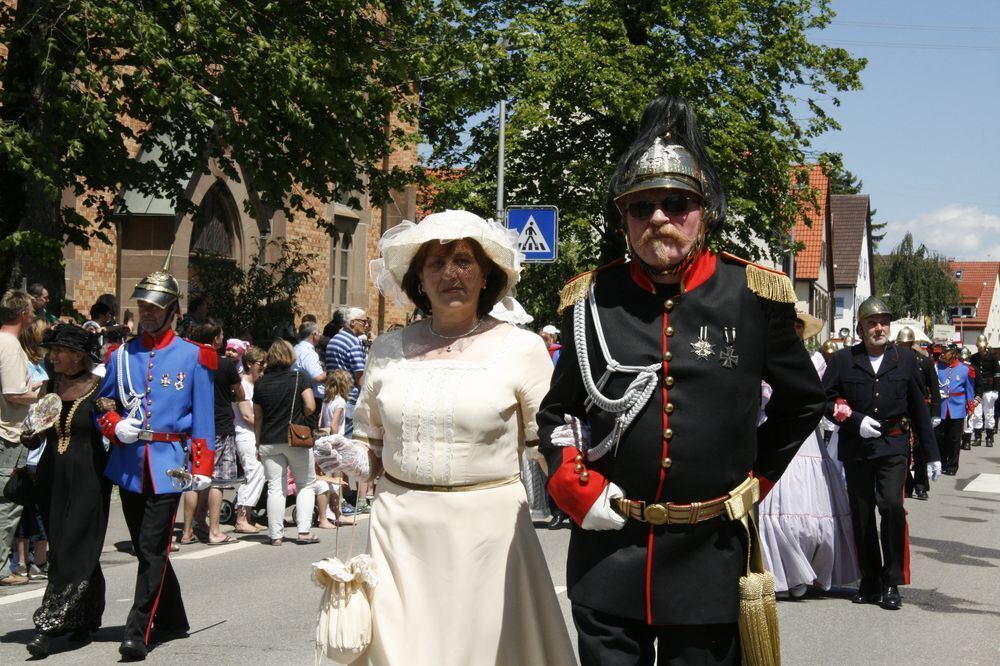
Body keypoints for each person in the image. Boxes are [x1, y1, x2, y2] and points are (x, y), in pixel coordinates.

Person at [536, 95, 825, 665]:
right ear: (624, 219)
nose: (659, 219)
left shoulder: (752, 294)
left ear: (703, 212)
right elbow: (558, 414)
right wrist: (573, 483)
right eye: (641, 208)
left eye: (676, 204)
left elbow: (803, 401)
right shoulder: (592, 298)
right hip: (610, 551)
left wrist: (757, 479)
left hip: (711, 554)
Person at [318, 209, 575, 665]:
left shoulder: (522, 348)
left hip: (489, 537)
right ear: (419, 277)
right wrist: (353, 457)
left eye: (462, 261)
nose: (449, 274)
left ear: (486, 274)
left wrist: (586, 489)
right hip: (400, 531)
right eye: (435, 263)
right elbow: (371, 440)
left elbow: (548, 444)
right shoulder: (387, 349)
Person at [95, 264, 216, 661]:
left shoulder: (196, 356)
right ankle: (174, 616)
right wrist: (115, 427)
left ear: (172, 309)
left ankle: (137, 631)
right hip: (128, 464)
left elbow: (202, 416)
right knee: (150, 550)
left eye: (155, 306)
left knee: (150, 548)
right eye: (143, 306)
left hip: (169, 464)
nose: (147, 312)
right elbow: (103, 404)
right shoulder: (121, 355)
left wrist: (203, 467)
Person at [824, 296, 941, 611]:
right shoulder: (843, 360)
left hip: (893, 445)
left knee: (891, 506)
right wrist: (854, 420)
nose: (879, 328)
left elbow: (919, 407)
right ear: (861, 327)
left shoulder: (905, 359)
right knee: (861, 516)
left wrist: (932, 455)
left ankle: (891, 581)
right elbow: (825, 398)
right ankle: (870, 579)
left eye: (884, 322)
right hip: (857, 446)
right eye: (872, 323)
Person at [20, 324, 112, 657]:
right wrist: (30, 434)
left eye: (58, 351)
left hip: (90, 475)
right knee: (64, 545)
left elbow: (116, 427)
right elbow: (40, 432)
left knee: (75, 543)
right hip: (51, 477)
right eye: (52, 350)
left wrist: (111, 411)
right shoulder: (51, 386)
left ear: (77, 356)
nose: (52, 356)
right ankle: (86, 615)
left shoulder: (100, 387)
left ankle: (47, 624)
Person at [757, 307, 859, 597]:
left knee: (807, 502)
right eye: (790, 324)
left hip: (804, 436)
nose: (795, 330)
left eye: (799, 325)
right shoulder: (766, 357)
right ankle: (781, 572)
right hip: (770, 428)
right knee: (772, 505)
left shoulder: (815, 360)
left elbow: (819, 397)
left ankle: (806, 570)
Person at [178, 319, 243, 546]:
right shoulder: (224, 364)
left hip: (195, 428)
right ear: (215, 339)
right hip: (221, 425)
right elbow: (240, 393)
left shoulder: (189, 361)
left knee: (194, 478)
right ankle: (215, 530)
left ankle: (188, 530)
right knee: (218, 480)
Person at [252, 339, 319, 546]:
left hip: (269, 440)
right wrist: (299, 417)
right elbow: (310, 405)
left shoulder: (261, 383)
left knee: (275, 487)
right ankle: (304, 531)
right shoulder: (299, 377)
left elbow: (258, 417)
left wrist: (257, 443)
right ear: (291, 357)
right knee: (305, 483)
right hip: (295, 438)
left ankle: (275, 535)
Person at [1, 290, 40, 587]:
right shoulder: (11, 345)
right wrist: (40, 394)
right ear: (23, 314)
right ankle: (2, 568)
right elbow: (13, 393)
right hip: (10, 435)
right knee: (9, 502)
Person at [13, 318, 51, 583]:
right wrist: (39, 391)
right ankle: (22, 562)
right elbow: (18, 396)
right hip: (26, 438)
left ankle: (40, 560)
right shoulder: (23, 364)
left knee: (39, 505)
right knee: (25, 505)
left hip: (42, 438)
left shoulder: (41, 363)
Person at [896, 327, 941, 500]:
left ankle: (921, 485)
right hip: (901, 410)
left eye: (907, 343)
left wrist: (936, 412)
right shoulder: (894, 361)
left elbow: (934, 388)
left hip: (919, 409)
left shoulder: (924, 362)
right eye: (902, 343)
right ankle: (906, 485)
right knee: (904, 449)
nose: (904, 346)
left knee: (920, 449)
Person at [313, 369, 353, 529]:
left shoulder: (326, 401)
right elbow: (334, 425)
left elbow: (321, 422)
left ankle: (329, 512)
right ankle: (338, 514)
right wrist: (336, 441)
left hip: (322, 442)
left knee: (326, 479)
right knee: (337, 481)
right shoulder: (341, 402)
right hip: (335, 443)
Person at [232, 346, 266, 533]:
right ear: (249, 364)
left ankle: (249, 517)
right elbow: (246, 415)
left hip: (255, 433)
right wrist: (265, 427)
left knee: (260, 473)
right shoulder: (242, 384)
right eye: (260, 364)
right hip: (245, 434)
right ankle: (241, 519)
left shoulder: (256, 385)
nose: (264, 367)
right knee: (253, 472)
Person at [324, 307, 367, 435]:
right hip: (349, 397)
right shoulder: (354, 343)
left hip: (332, 396)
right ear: (353, 322)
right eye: (364, 321)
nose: (367, 325)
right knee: (345, 440)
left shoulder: (334, 339)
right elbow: (360, 377)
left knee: (333, 436)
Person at [934, 342, 975, 475]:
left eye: (946, 351)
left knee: (954, 439)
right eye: (943, 351)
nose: (943, 354)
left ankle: (952, 466)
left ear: (954, 353)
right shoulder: (937, 367)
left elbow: (969, 389)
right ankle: (941, 463)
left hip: (957, 407)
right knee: (940, 437)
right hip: (941, 407)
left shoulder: (965, 369)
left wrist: (970, 406)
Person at [969, 335, 999, 448]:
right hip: (977, 390)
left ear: (986, 346)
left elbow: (997, 375)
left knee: (989, 414)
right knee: (977, 414)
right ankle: (977, 437)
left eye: (982, 348)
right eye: (979, 349)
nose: (980, 351)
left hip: (989, 389)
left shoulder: (992, 358)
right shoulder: (974, 358)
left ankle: (989, 437)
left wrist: (996, 390)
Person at [293, 321, 328, 406]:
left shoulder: (297, 348)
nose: (320, 334)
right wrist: (333, 371)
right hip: (313, 397)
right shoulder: (308, 352)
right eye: (319, 332)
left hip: (301, 394)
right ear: (314, 334)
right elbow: (318, 377)